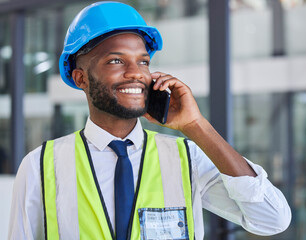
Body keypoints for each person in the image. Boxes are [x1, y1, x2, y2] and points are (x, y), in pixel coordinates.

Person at [9, 1, 291, 239]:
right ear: (80, 77)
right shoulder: (40, 166)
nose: (136, 73)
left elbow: (272, 219)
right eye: (116, 61)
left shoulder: (186, 158)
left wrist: (196, 126)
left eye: (143, 61)